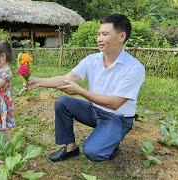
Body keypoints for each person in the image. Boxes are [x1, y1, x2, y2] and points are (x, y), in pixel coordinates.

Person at [27, 14, 145, 162]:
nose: (99, 38)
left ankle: (110, 142)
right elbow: (67, 78)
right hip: (94, 110)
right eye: (99, 34)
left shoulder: (134, 68)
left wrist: (80, 91)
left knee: (93, 152)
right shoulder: (92, 60)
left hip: (117, 118)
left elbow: (115, 103)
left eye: (105, 34)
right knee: (63, 103)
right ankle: (70, 147)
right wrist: (39, 82)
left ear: (121, 36)